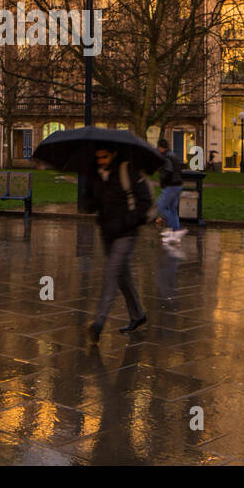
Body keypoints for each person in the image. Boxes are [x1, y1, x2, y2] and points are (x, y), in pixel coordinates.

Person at [83, 144, 150, 342]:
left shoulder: (127, 170)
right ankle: (138, 315)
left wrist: (128, 221)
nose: (101, 161)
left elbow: (145, 201)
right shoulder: (96, 174)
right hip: (107, 233)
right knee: (122, 276)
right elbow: (92, 203)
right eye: (98, 157)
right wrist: (89, 199)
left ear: (113, 154)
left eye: (104, 156)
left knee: (112, 274)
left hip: (126, 232)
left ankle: (98, 324)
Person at [154, 138, 185, 240]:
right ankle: (175, 232)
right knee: (173, 209)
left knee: (161, 206)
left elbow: (168, 171)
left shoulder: (166, 157)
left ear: (160, 147)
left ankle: (175, 230)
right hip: (178, 185)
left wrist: (162, 178)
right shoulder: (173, 155)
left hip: (170, 185)